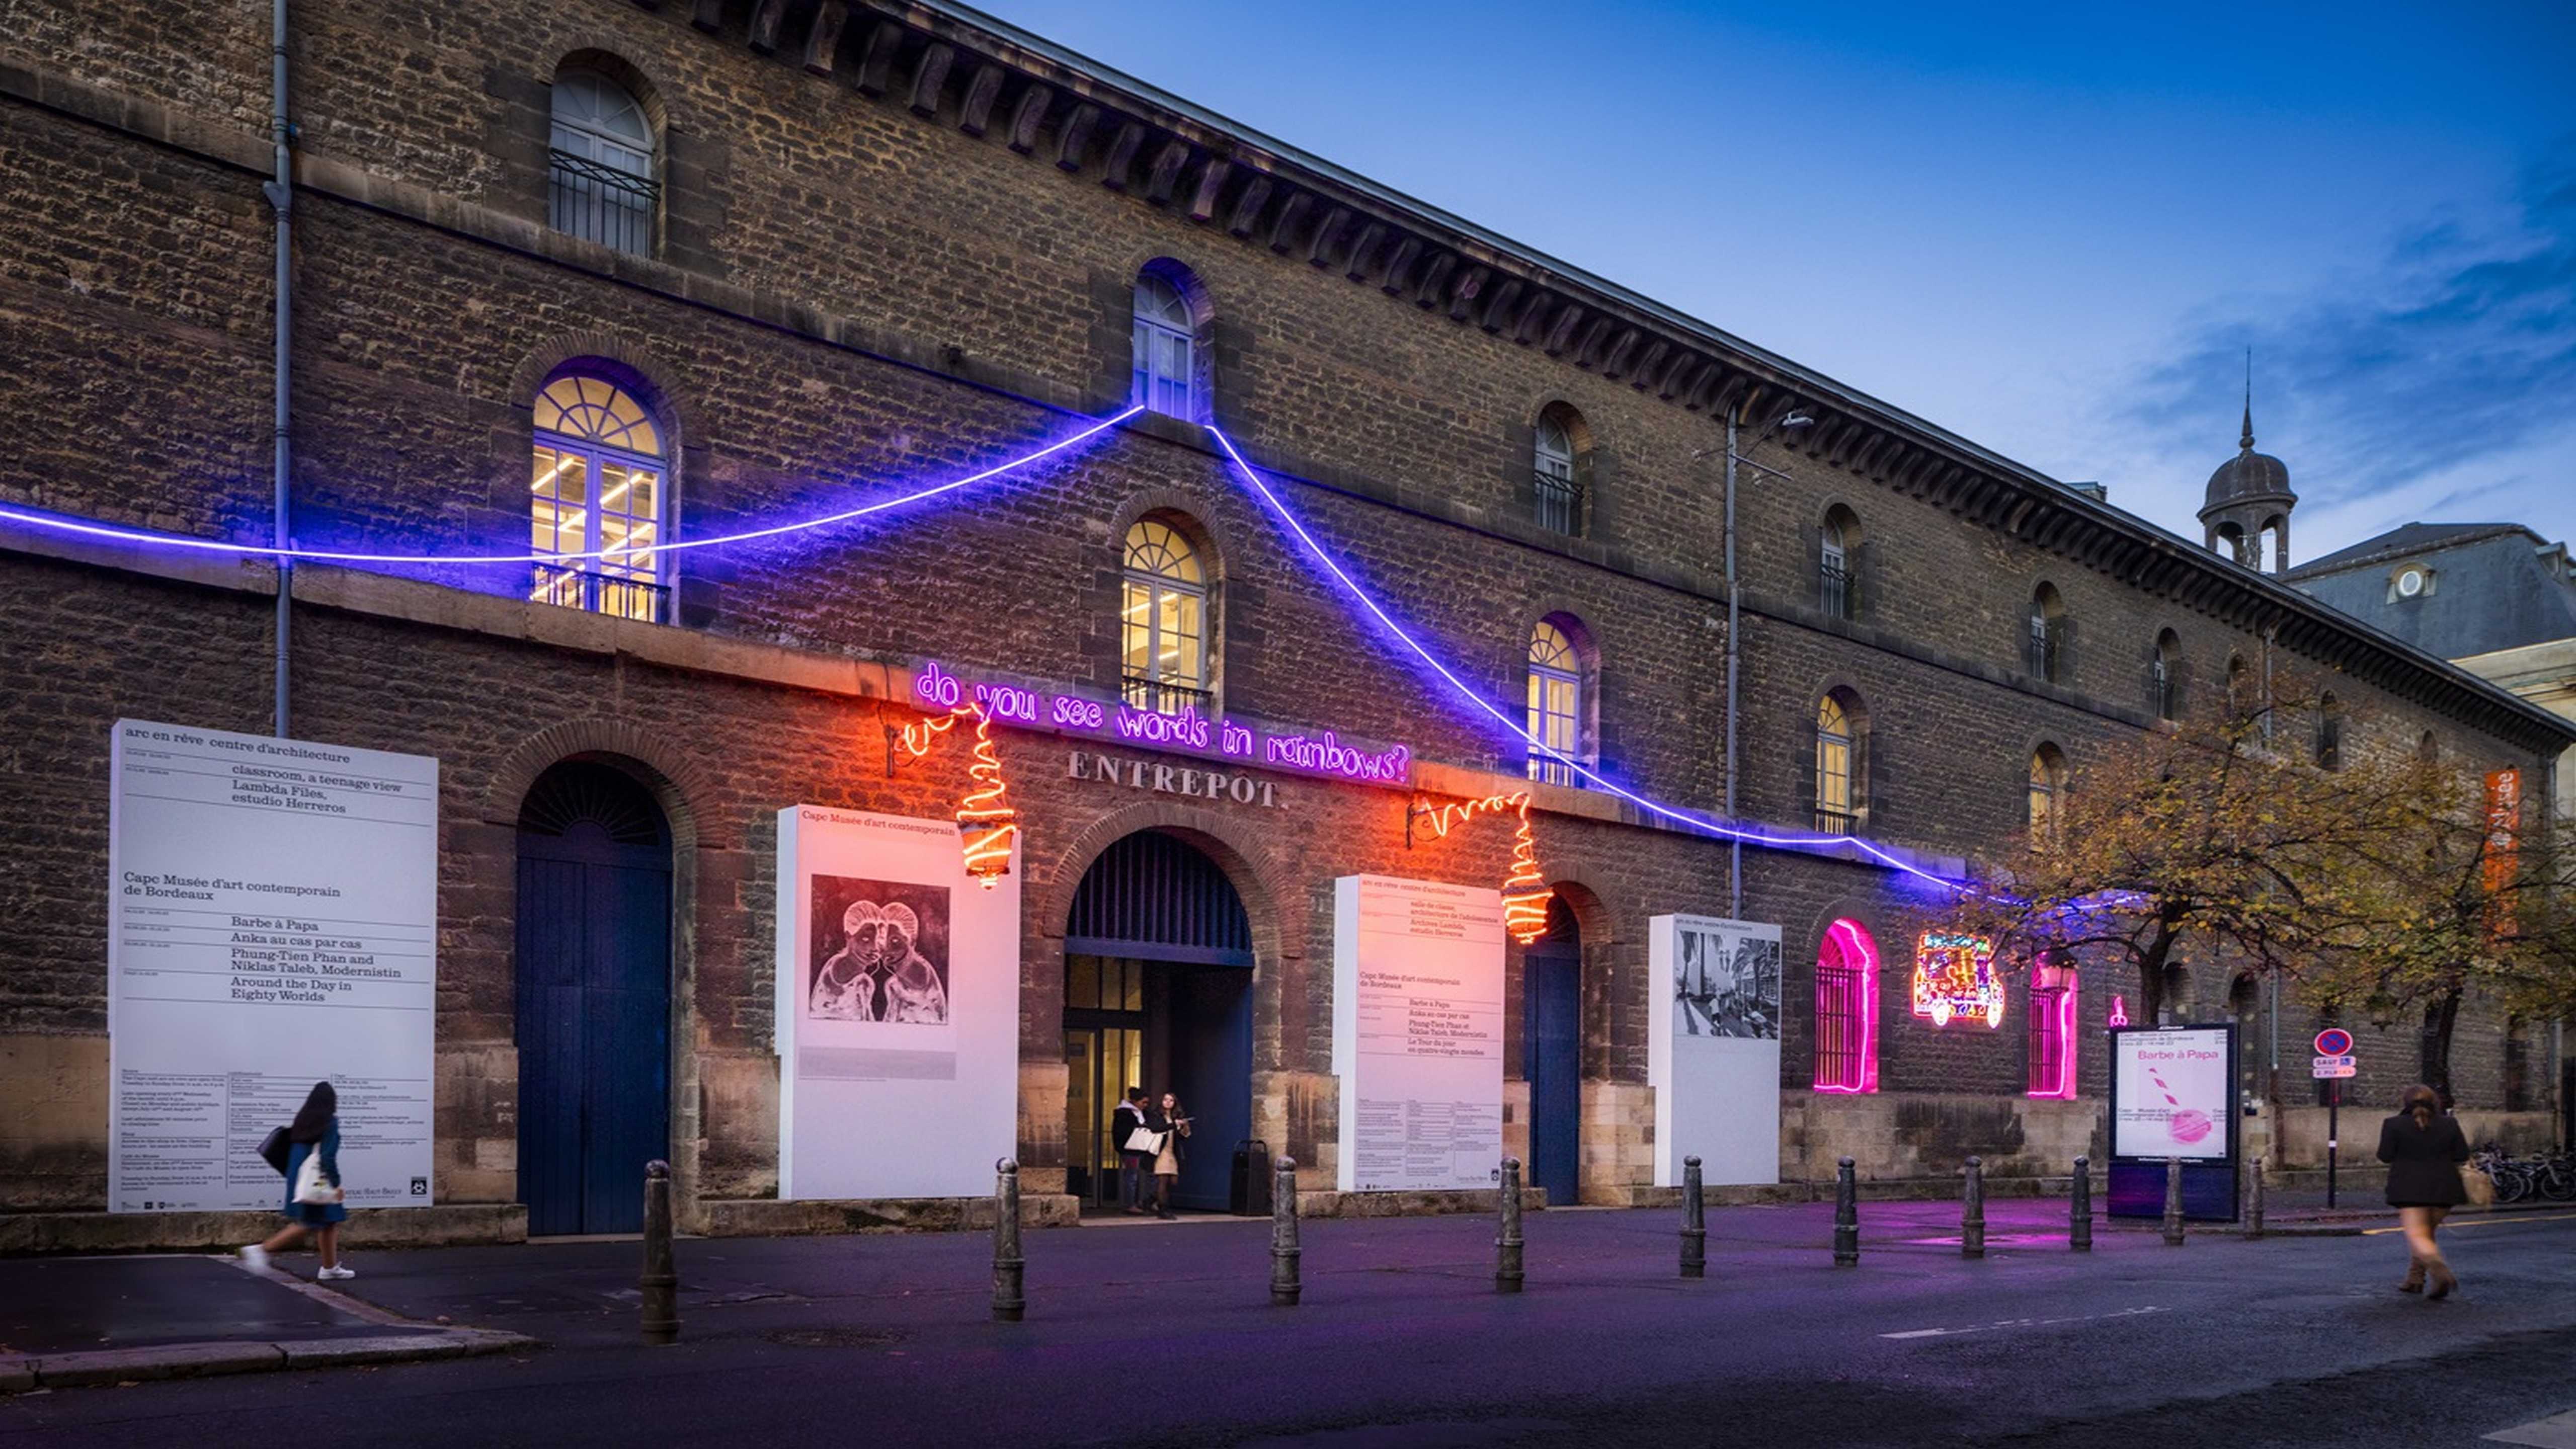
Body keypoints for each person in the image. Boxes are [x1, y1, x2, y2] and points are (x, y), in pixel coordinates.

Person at [242, 1081, 351, 1279]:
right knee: (309, 1222)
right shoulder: (330, 1123)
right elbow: (328, 1158)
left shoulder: (302, 1122)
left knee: (329, 1222)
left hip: (301, 1180)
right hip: (319, 1183)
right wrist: (337, 1184)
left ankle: (329, 1268)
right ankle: (261, 1250)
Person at [2377, 1083, 2470, 1299]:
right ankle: (2415, 1280)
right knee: (2426, 1235)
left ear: (2406, 1102)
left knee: (2418, 1236)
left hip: (2409, 1189)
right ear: (2435, 1102)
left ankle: (2441, 1272)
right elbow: (2462, 1155)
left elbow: (2385, 1155)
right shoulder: (2450, 1124)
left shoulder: (2393, 1124)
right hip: (2446, 1188)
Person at [1149, 1091, 1191, 1221]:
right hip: (1161, 1152)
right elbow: (1156, 1128)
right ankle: (1163, 1209)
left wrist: (1184, 1127)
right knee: (1163, 1180)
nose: (1168, 1102)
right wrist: (1174, 1125)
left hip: (1172, 1152)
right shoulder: (1156, 1115)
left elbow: (1183, 1137)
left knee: (1173, 1181)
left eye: (1171, 1100)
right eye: (1166, 1100)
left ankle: (1151, 1199)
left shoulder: (1175, 1116)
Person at [1111, 1086, 1152, 1215]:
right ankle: (1130, 1204)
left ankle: (1141, 1201)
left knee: (1140, 1176)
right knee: (1132, 1177)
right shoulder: (1124, 1113)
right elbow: (1121, 1133)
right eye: (1143, 1102)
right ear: (1135, 1101)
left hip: (1141, 1148)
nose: (1145, 1105)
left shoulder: (1141, 1113)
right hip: (1130, 1149)